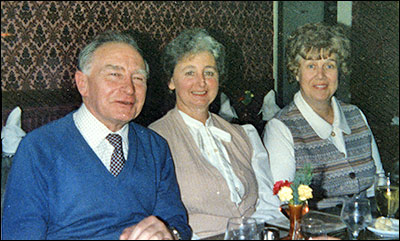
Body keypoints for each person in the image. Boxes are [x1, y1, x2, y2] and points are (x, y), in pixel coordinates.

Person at [1, 31, 191, 240]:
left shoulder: (155, 147)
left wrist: (170, 234)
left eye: (138, 78)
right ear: (82, 83)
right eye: (114, 75)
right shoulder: (39, 148)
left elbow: (176, 222)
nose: (129, 88)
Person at [149, 28, 283, 239]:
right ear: (171, 81)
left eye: (209, 72)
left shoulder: (244, 134)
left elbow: (269, 205)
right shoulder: (153, 141)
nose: (201, 82)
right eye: (189, 72)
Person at [262, 22, 385, 209]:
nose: (321, 76)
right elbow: (284, 203)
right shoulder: (281, 128)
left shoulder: (355, 115)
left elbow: (379, 183)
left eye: (329, 65)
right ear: (296, 72)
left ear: (339, 71)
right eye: (311, 66)